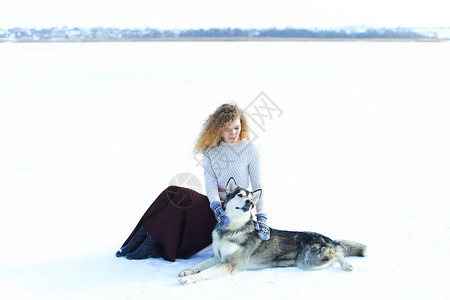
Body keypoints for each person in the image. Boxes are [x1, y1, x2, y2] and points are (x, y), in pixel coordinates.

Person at [115, 103, 270, 262]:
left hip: (233, 212)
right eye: (227, 129)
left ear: (242, 125)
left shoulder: (249, 150)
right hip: (216, 210)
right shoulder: (210, 151)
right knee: (173, 192)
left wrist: (262, 217)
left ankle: (150, 244)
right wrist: (216, 207)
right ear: (218, 129)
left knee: (182, 197)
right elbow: (210, 184)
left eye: (236, 128)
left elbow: (258, 186)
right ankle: (140, 238)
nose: (233, 133)